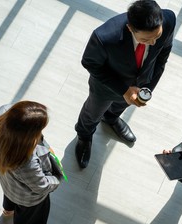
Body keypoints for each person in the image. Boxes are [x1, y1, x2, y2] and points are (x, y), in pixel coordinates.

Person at [75, 0, 176, 168]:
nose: (153, 43)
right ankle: (84, 136)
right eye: (146, 39)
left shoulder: (168, 19)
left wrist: (148, 87)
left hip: (140, 82)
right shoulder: (104, 37)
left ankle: (111, 118)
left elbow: (163, 54)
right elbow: (90, 63)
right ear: (130, 28)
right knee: (92, 112)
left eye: (157, 36)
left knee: (120, 106)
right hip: (106, 86)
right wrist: (124, 89)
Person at [0, 101, 63, 224]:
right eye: (39, 131)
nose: (41, 133)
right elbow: (41, 186)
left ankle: (8, 210)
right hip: (28, 198)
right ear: (26, 137)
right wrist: (57, 178)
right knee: (26, 216)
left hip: (8, 182)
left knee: (10, 195)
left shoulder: (3, 114)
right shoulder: (26, 162)